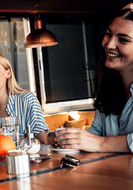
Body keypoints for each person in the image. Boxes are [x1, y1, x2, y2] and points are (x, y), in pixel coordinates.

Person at [55, 4, 133, 153]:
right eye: (108, 34)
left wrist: (100, 143)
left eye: (123, 40)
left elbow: (97, 142)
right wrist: (71, 138)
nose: (109, 44)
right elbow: (94, 134)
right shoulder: (109, 88)